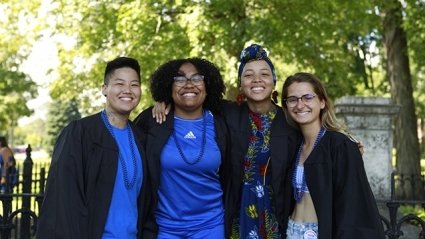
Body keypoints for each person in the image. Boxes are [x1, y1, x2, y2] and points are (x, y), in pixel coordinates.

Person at [152, 44, 300, 238]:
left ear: (274, 80)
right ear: (240, 83)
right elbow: (191, 100)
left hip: (274, 215)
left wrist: (348, 143)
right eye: (248, 75)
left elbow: (316, 133)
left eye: (264, 74)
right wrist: (164, 101)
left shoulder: (291, 122)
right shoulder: (226, 114)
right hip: (234, 214)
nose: (257, 80)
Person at [36, 56, 152, 239]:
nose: (128, 90)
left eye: (134, 85)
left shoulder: (141, 138)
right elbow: (63, 203)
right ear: (104, 89)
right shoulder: (80, 134)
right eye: (120, 84)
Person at [281, 72, 385, 239]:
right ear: (286, 106)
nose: (300, 105)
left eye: (307, 97)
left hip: (319, 233)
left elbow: (352, 205)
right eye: (292, 99)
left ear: (322, 102)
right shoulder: (293, 145)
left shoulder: (339, 144)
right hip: (292, 231)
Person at [134, 58, 229, 238]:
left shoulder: (221, 122)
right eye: (179, 79)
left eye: (197, 78)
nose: (188, 84)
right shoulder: (152, 121)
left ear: (207, 86)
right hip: (165, 228)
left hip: (211, 226)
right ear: (169, 87)